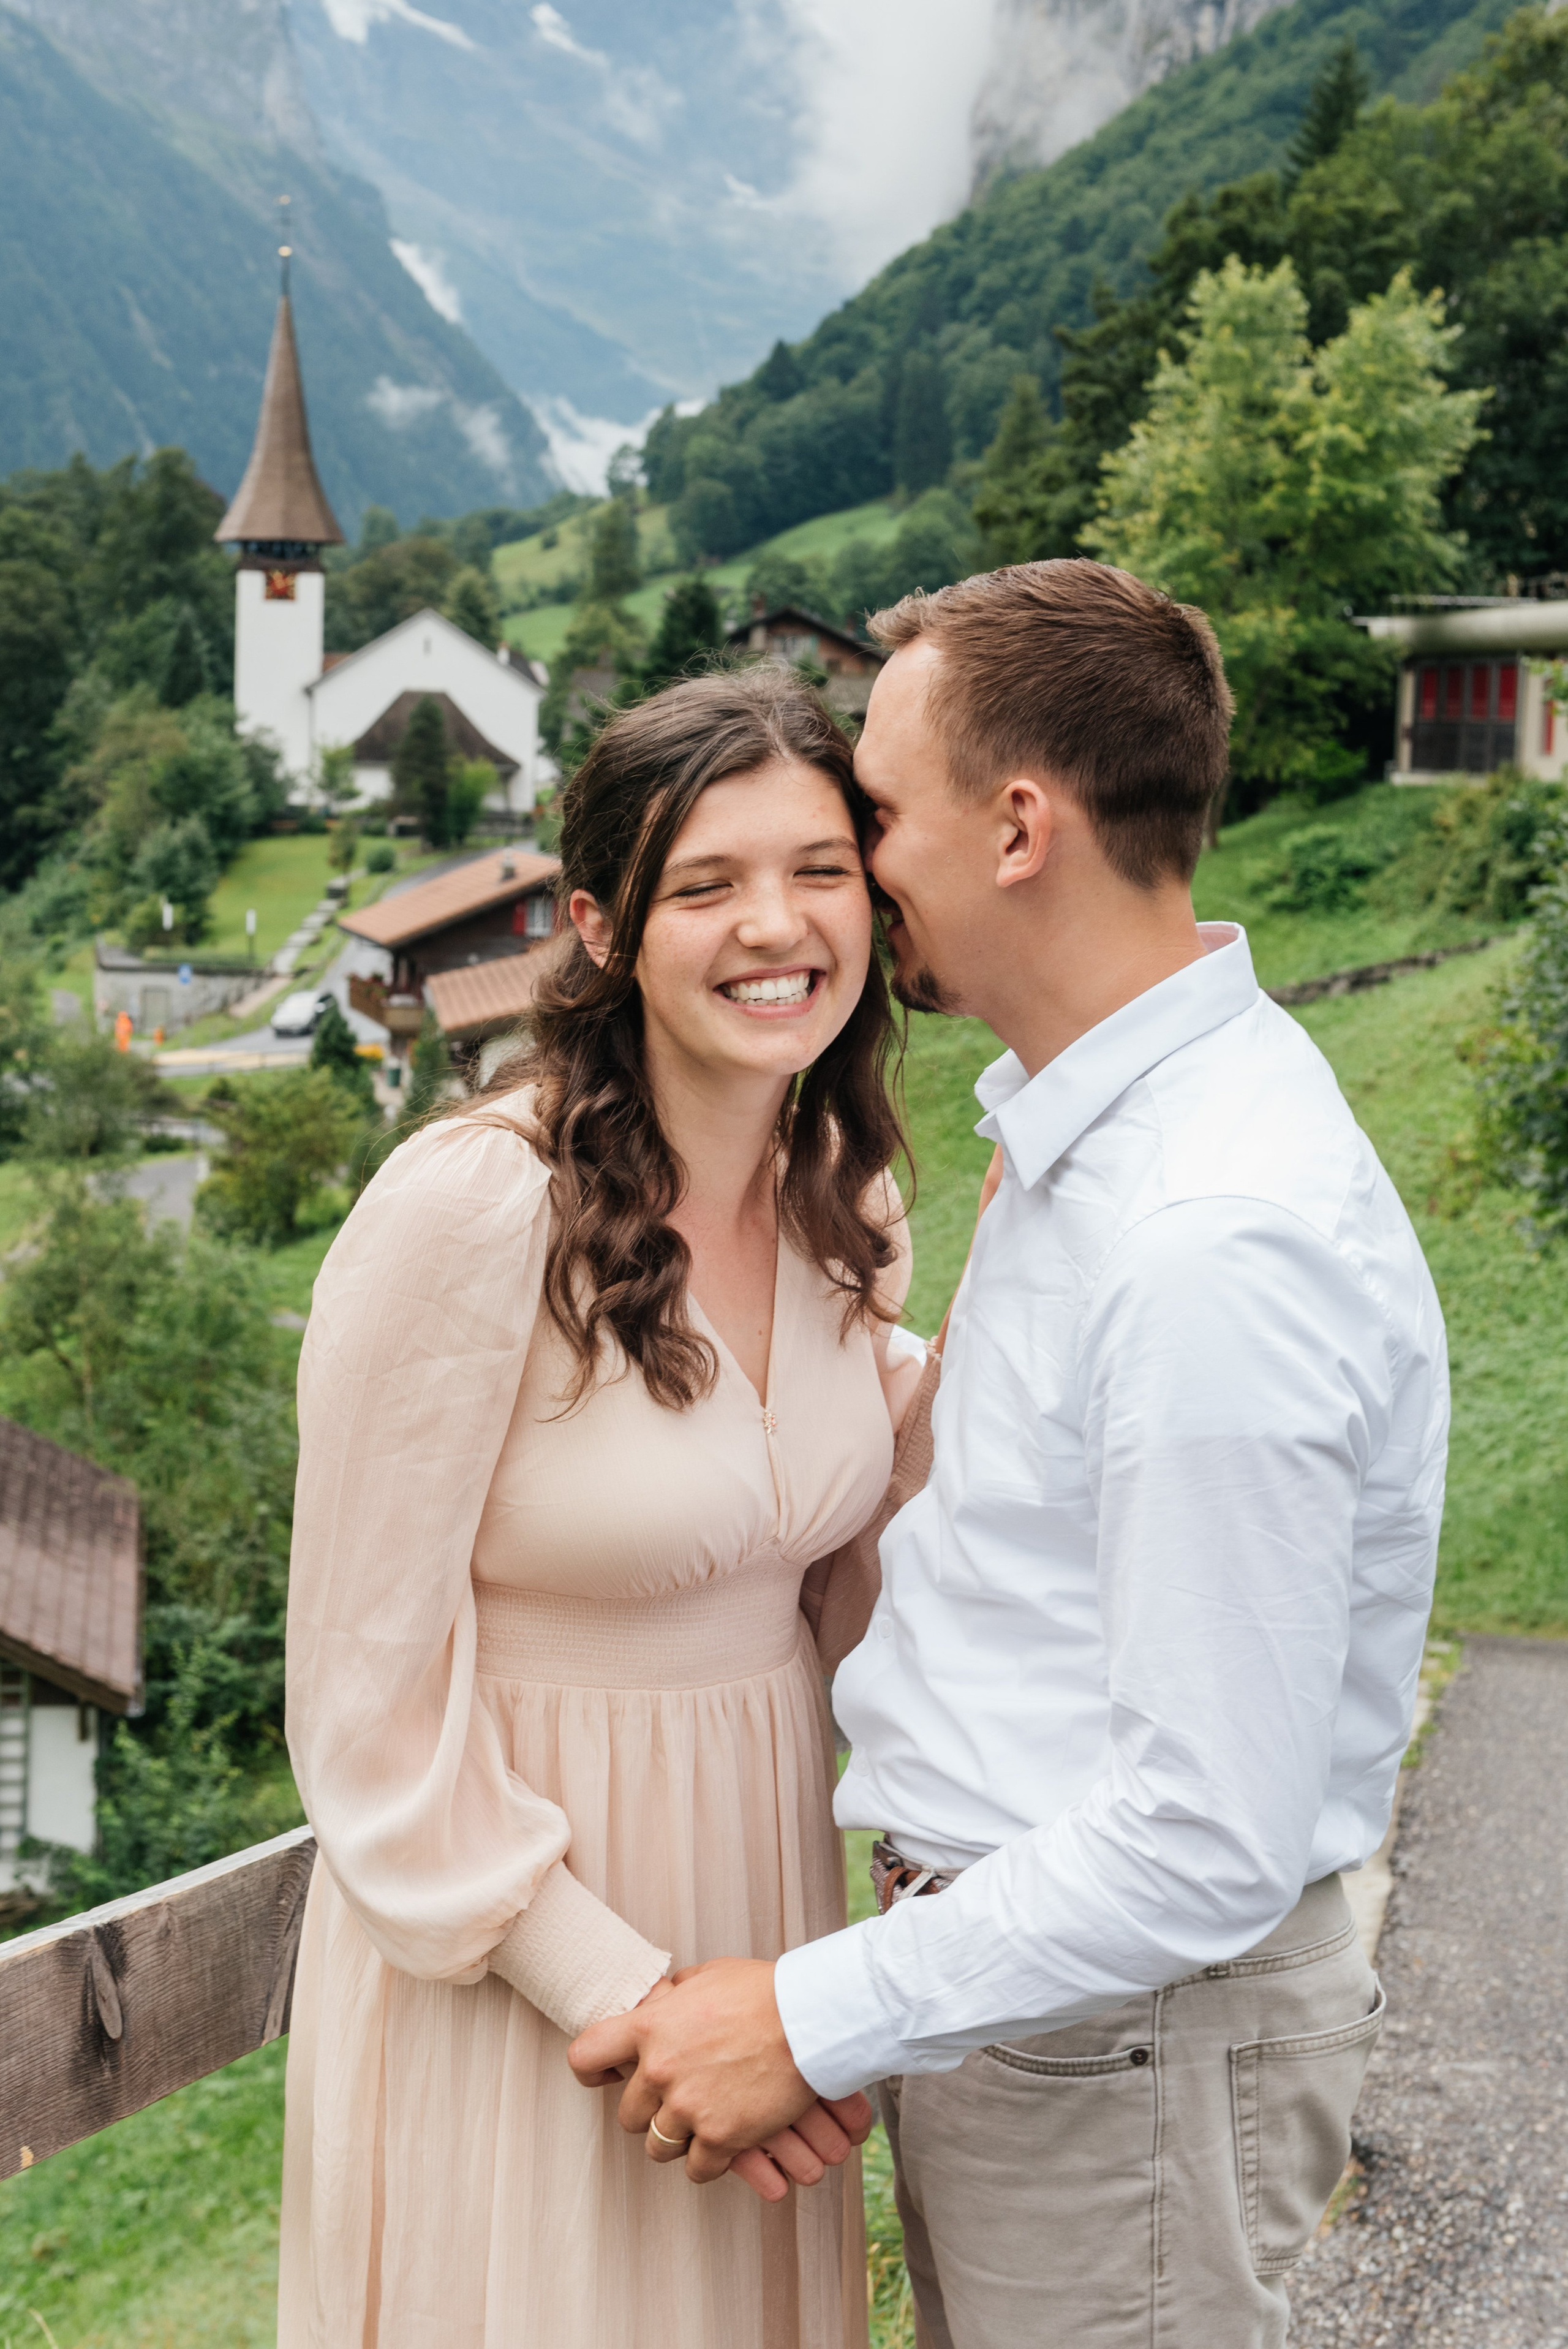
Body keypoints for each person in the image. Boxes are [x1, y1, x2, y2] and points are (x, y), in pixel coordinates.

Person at [571, 560, 1450, 2349]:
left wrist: (816, 2013)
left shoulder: (1208, 1232)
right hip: (1062, 2018)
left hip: (1125, 2035)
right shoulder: (1098, 1142)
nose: (853, 867)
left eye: (876, 816)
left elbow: (1209, 1827)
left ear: (1022, 825)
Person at [279, 667, 932, 2349]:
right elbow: (364, 1701)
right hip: (525, 1969)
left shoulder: (848, 1204)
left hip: (760, 1910)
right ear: (601, 923)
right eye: (705, 884)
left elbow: (857, 1590)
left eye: (817, 869)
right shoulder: (478, 1207)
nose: (772, 924)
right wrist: (622, 1994)